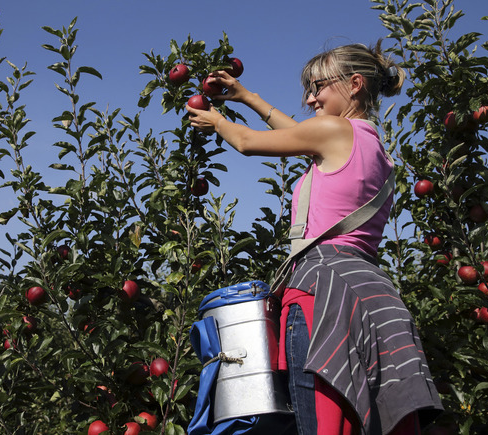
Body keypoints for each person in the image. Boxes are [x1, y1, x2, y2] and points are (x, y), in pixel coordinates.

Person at [186, 42, 444, 434]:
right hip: (375, 298)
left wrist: (217, 120)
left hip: (324, 295)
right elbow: (300, 135)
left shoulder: (333, 131)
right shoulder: (374, 148)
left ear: (354, 84)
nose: (310, 98)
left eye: (319, 87)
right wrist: (247, 96)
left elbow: (247, 142)